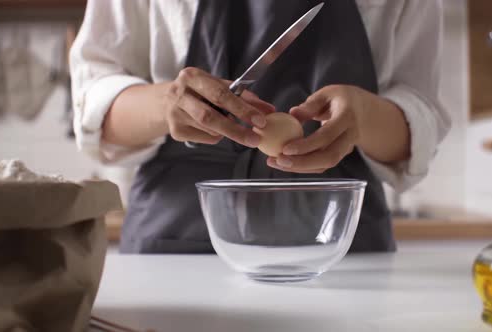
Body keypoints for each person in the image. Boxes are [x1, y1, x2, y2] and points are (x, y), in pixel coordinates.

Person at [70, 0, 450, 254]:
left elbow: (421, 115)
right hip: (174, 243)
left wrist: (365, 118)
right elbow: (94, 102)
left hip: (340, 245)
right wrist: (167, 103)